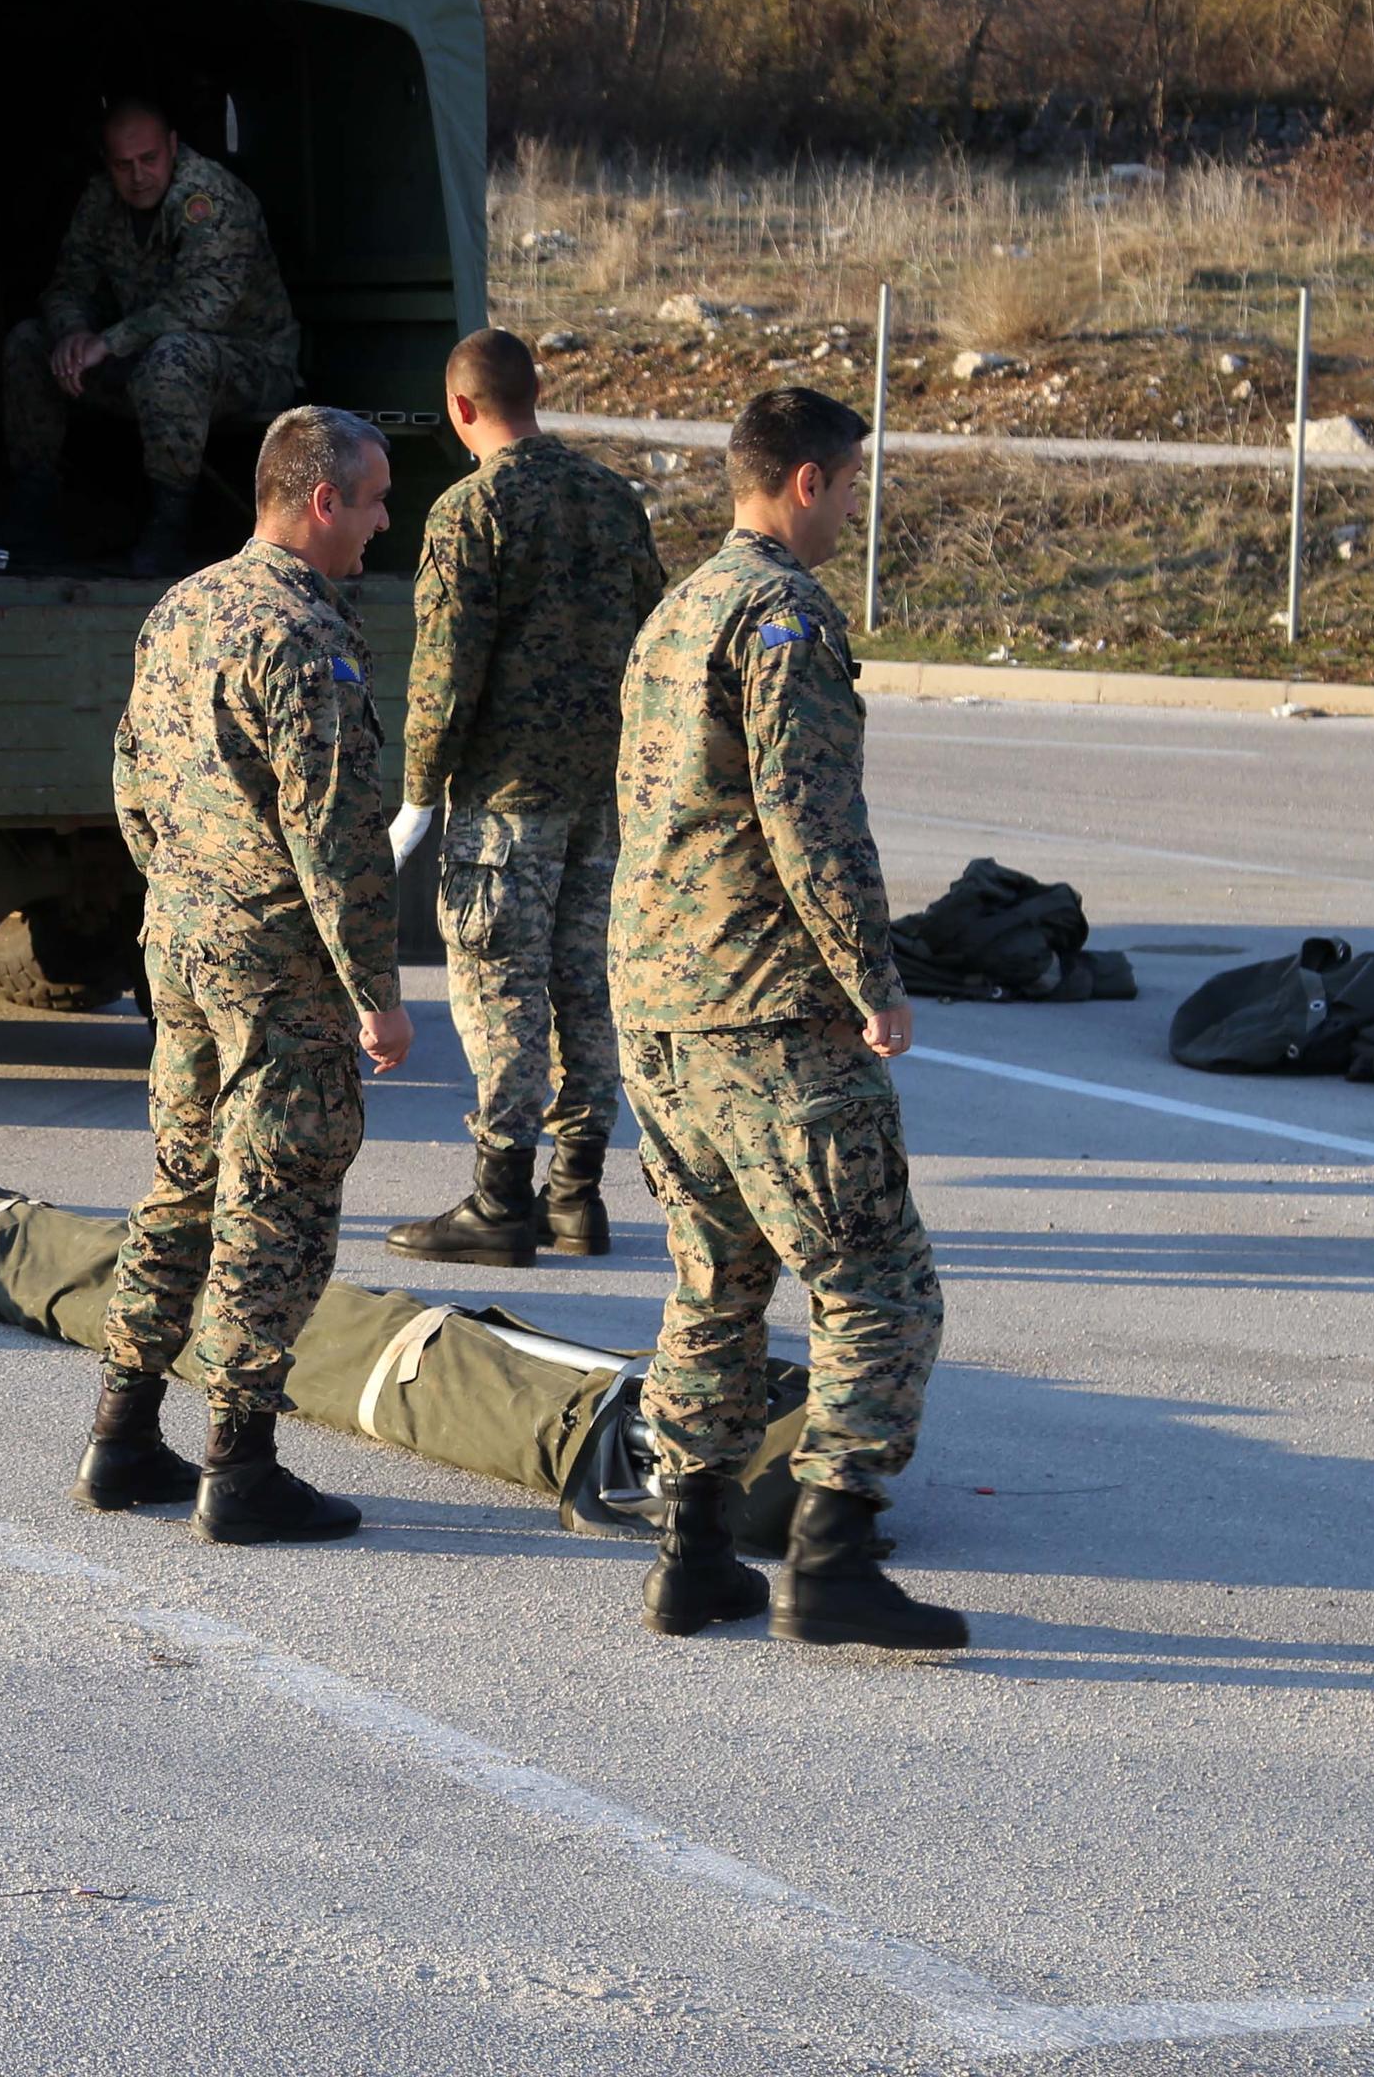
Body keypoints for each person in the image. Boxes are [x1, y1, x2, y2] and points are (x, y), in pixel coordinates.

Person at [609, 386, 966, 1650]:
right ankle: (833, 1556)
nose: (854, 512)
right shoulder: (783, 612)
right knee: (879, 1281)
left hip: (656, 1002)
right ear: (809, 481)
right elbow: (808, 816)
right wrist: (872, 978)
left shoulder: (679, 607)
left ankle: (692, 1553)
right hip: (763, 1006)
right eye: (853, 486)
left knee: (716, 1279)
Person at [79, 405, 412, 1546]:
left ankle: (122, 1434)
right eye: (371, 500)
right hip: (276, 965)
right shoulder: (304, 635)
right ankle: (240, 1462)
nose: (380, 523)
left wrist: (182, 891)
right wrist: (378, 991)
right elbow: (335, 834)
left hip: (180, 941)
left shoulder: (183, 605)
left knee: (180, 1178)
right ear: (321, 501)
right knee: (275, 1197)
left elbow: (128, 777)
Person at [385, 328, 669, 1269]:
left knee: (500, 990)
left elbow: (445, 671)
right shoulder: (612, 498)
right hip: (603, 795)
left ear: (461, 409)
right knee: (586, 990)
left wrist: (418, 792)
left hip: (508, 798)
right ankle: (577, 1197)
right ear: (533, 393)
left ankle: (499, 1201)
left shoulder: (472, 510)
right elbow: (652, 633)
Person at [0, 98, 302, 578]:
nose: (138, 175)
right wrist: (73, 333)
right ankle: (35, 502)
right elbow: (68, 282)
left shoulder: (208, 198)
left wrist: (108, 342)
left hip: (248, 363)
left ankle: (170, 521)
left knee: (173, 357)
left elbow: (205, 305)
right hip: (142, 357)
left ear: (173, 148)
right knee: (28, 344)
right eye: (123, 164)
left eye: (149, 160)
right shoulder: (100, 199)